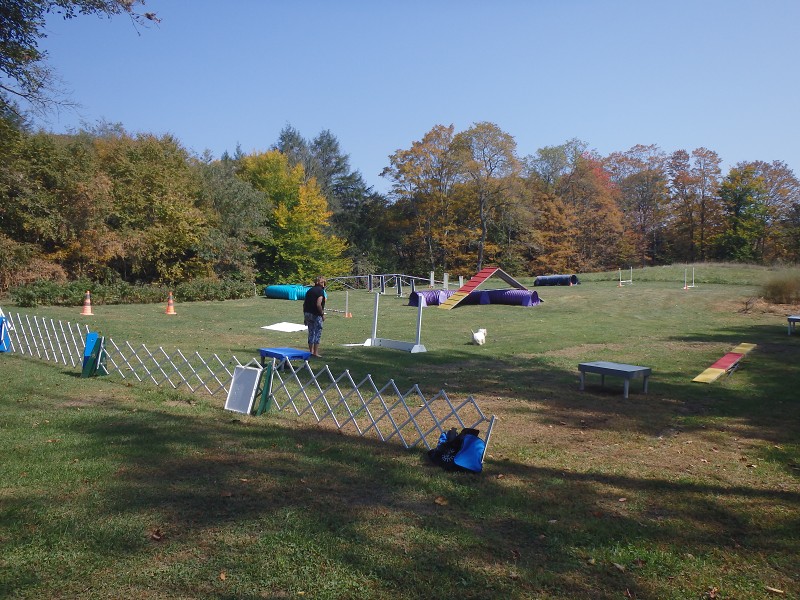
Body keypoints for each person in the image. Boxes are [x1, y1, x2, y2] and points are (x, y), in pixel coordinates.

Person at [303, 276, 326, 357]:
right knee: (317, 332)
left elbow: (304, 304)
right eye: (323, 282)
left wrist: (305, 317)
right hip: (316, 314)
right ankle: (315, 352)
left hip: (307, 313)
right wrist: (322, 314)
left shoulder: (309, 291)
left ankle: (310, 351)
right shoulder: (320, 291)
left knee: (311, 332)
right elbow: (318, 304)